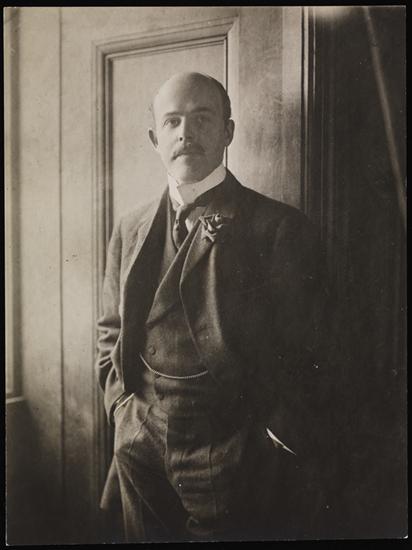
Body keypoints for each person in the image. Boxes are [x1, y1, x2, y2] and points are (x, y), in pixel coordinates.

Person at [96, 71, 330, 542]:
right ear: (155, 139)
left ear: (228, 132)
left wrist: (270, 439)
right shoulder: (130, 226)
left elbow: (309, 350)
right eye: (172, 122)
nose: (186, 132)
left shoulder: (279, 228)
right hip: (140, 440)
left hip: (233, 450)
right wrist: (121, 407)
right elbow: (111, 329)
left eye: (202, 118)